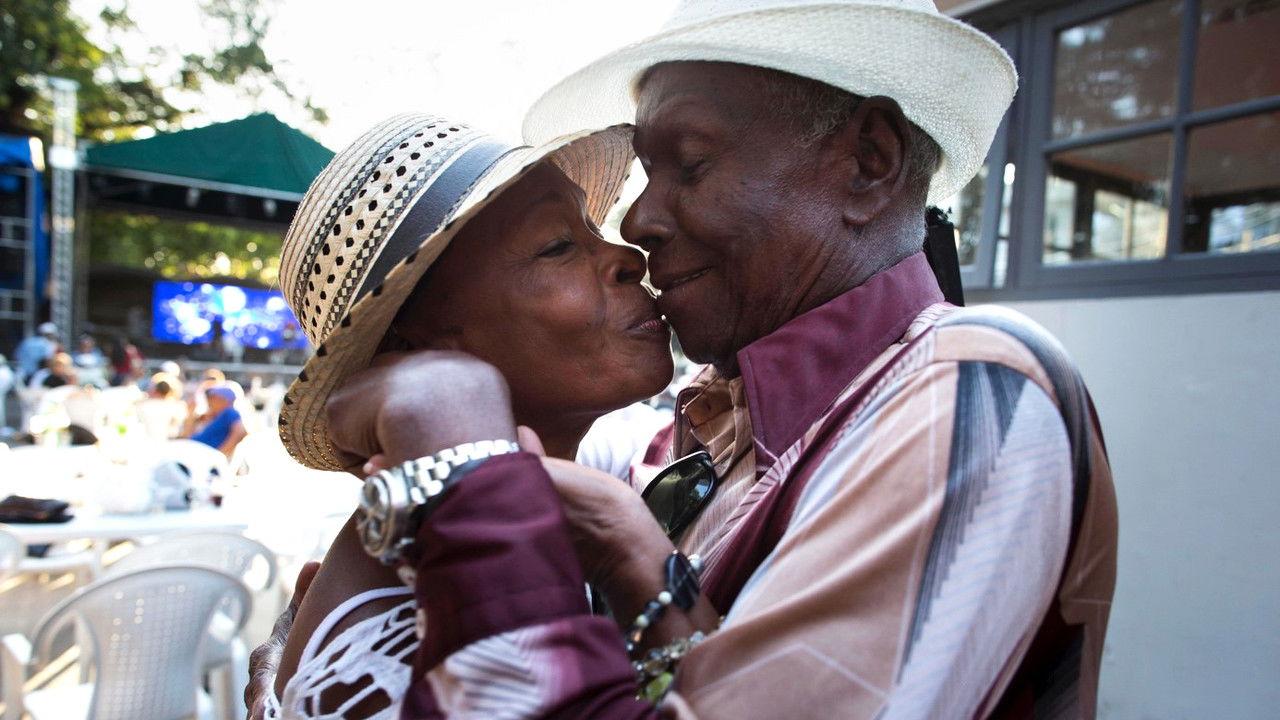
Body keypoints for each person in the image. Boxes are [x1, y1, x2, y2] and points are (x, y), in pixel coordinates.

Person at [258, 4, 1119, 719]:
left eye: (691, 163)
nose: (634, 227)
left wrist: (471, 452)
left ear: (870, 162)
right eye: (565, 244)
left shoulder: (964, 389)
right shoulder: (706, 429)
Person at [244, 113, 659, 720]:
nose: (628, 256)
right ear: (414, 364)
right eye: (557, 246)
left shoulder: (568, 472)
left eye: (592, 227)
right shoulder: (382, 657)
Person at [184, 385, 247, 458]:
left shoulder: (230, 412)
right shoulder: (215, 416)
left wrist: (219, 455)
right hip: (194, 453)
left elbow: (241, 432)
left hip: (206, 458)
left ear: (223, 399)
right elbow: (187, 433)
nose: (209, 401)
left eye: (213, 398)